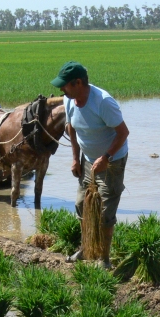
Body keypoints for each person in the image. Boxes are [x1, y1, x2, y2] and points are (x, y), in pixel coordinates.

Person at [50, 61, 130, 268]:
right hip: (87, 160)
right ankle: (86, 250)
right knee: (81, 204)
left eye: (65, 85)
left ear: (78, 83)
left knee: (104, 212)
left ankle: (103, 258)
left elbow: (123, 133)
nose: (61, 89)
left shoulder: (102, 102)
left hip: (112, 161)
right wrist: (76, 158)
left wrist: (106, 158)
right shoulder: (70, 100)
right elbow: (72, 129)